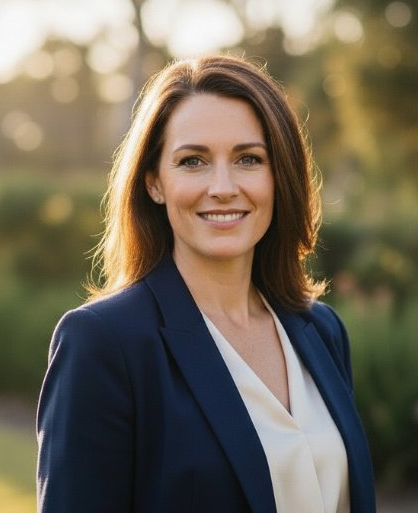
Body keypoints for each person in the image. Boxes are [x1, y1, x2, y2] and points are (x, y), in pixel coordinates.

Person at [36, 55, 376, 513]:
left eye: (249, 159)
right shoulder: (104, 343)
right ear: (155, 181)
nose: (222, 186)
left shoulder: (321, 330)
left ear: (279, 177)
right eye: (193, 161)